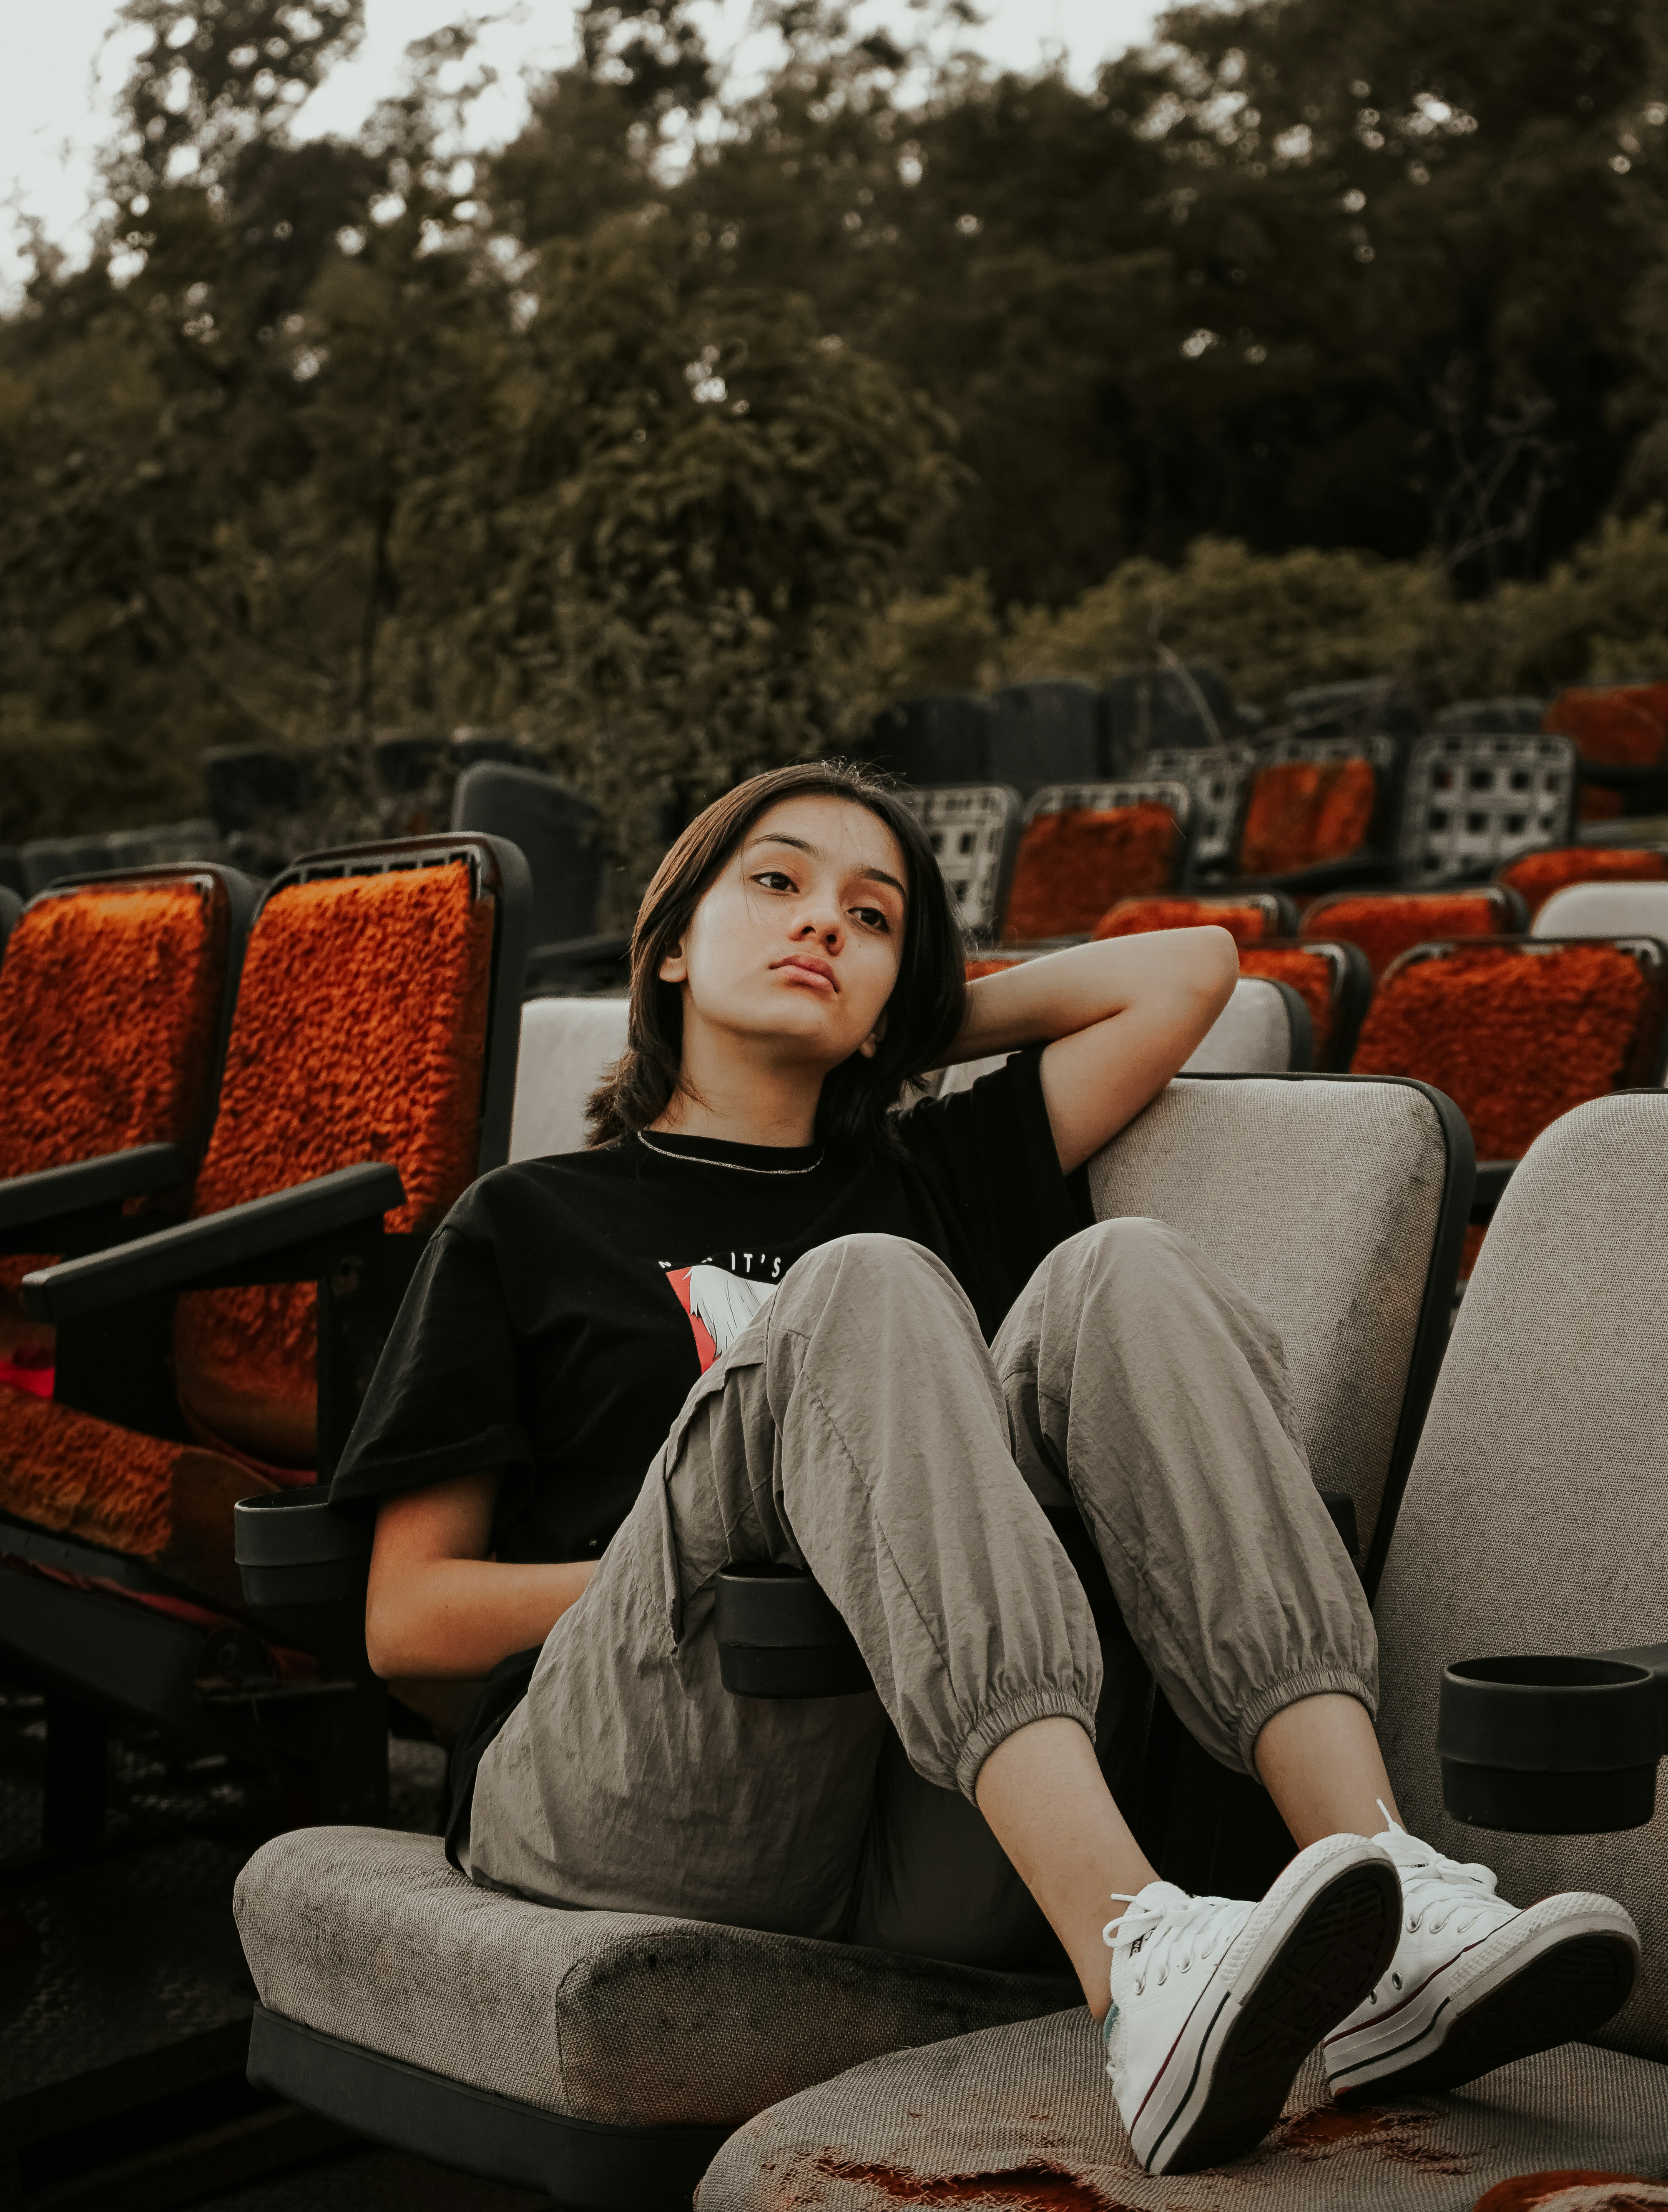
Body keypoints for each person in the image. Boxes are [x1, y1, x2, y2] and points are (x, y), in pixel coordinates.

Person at [330, 761, 1639, 2177]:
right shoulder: (526, 1220)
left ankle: (1398, 1912)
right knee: (869, 1288)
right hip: (630, 1789)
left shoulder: (931, 1169)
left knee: (1122, 1271)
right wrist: (734, 1556)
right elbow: (407, 1630)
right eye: (774, 885)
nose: (822, 925)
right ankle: (1136, 1951)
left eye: (872, 915)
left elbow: (1188, 971)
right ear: (665, 942)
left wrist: (902, 1019)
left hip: (923, 1822)